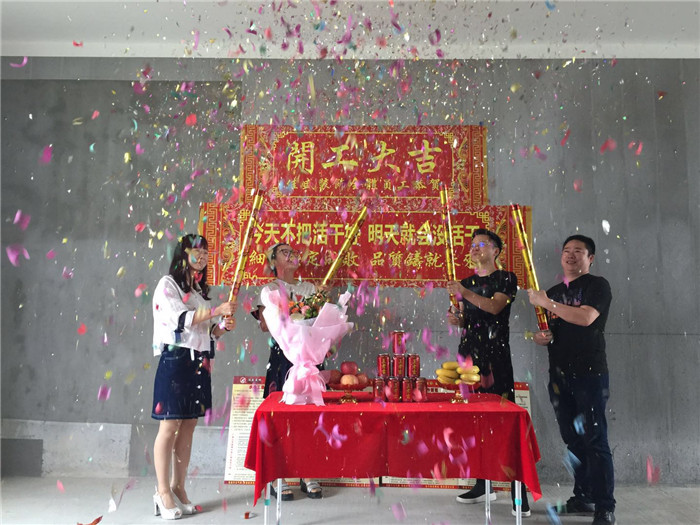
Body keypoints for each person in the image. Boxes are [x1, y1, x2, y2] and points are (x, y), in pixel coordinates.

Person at [528, 235, 616, 525]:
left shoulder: (597, 285)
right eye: (567, 250)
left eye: (579, 251)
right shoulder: (554, 292)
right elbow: (552, 331)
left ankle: (605, 506)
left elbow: (585, 318)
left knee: (595, 439)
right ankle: (583, 496)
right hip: (559, 376)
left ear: (591, 258)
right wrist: (542, 337)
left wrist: (546, 302)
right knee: (573, 439)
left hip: (589, 374)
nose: (571, 255)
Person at [446, 228, 530, 517]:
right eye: (472, 245)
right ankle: (483, 483)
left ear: (496, 251)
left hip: (496, 359)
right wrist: (457, 318)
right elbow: (466, 319)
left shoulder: (506, 278)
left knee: (505, 425)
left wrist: (465, 293)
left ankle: (520, 492)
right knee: (474, 423)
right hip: (469, 358)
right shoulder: (466, 282)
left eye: (482, 244)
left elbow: (494, 307)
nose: (475, 248)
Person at [151, 234, 236, 520]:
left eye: (206, 253)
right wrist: (217, 310)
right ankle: (162, 491)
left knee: (189, 424)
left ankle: (178, 487)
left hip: (200, 362)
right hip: (176, 360)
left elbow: (207, 332)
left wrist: (222, 325)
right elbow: (181, 320)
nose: (202, 257)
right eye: (197, 252)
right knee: (169, 425)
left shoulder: (198, 291)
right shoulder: (168, 285)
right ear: (183, 254)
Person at [253, 241, 324, 500]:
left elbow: (319, 322)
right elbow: (265, 326)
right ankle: (277, 476)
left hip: (309, 358)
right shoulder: (269, 289)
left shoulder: (310, 288)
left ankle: (308, 471)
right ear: (273, 261)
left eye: (294, 252)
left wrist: (319, 304)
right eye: (285, 252)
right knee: (279, 416)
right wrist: (288, 311)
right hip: (282, 357)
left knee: (309, 416)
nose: (292, 255)